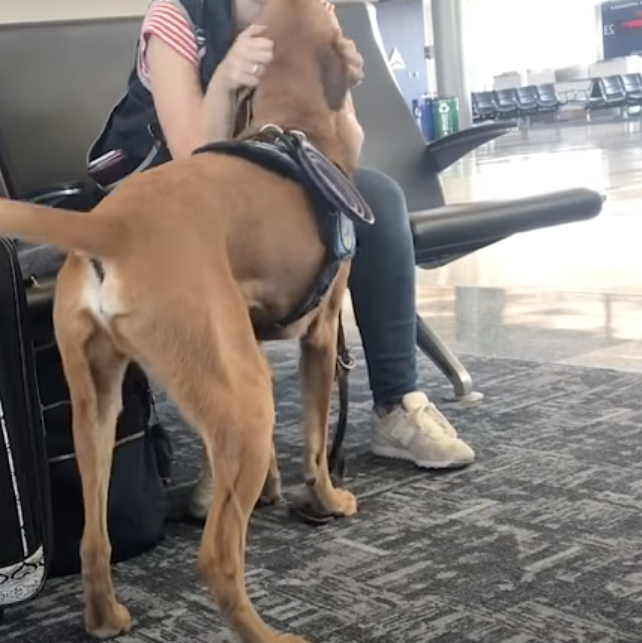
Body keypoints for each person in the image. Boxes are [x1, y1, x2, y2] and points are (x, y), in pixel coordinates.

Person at [84, 0, 475, 483]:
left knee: (379, 197)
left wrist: (338, 89)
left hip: (270, 173)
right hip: (175, 185)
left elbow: (347, 152)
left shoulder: (313, 9)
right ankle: (234, 432)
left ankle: (397, 403)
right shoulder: (176, 17)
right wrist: (225, 80)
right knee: (227, 226)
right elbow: (192, 160)